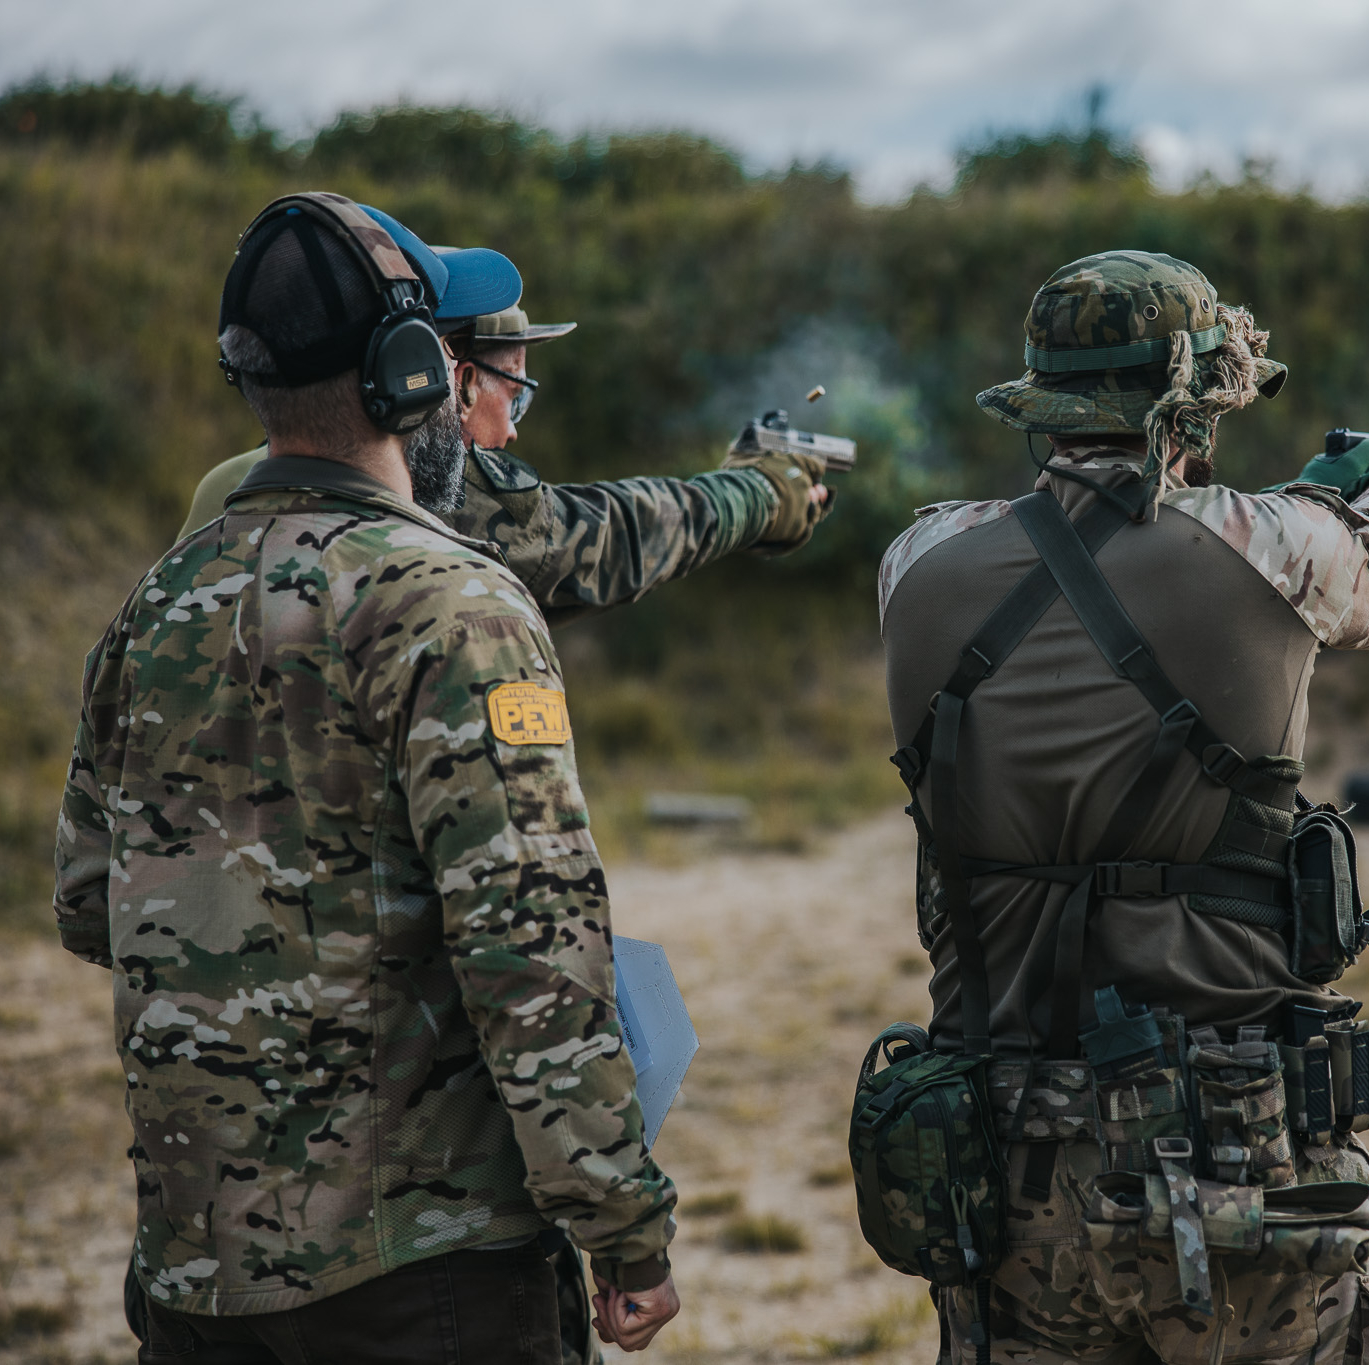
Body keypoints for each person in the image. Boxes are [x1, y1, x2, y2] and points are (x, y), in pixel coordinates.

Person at [55, 194, 680, 1362]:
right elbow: (531, 954)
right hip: (423, 1281)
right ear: (408, 375)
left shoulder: (158, 602)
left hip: (198, 1279)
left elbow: (90, 902)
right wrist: (623, 1228)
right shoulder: (454, 603)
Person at [876, 251, 1369, 1364]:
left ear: (1043, 401)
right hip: (1232, 1153)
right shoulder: (1274, 543)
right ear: (1188, 403)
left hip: (999, 1157)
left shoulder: (917, 560)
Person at [177, 235, 833, 618]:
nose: (512, 431)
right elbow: (612, 536)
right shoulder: (410, 498)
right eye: (509, 392)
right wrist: (766, 496)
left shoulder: (231, 487)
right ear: (432, 373)